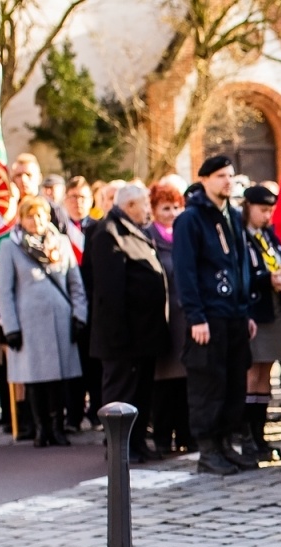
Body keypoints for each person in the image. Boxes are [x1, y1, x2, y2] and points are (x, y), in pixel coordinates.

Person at [174, 155, 257, 476]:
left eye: (231, 175)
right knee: (208, 383)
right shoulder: (190, 219)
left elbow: (240, 266)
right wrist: (195, 316)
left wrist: (245, 310)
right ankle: (207, 449)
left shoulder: (233, 216)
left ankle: (225, 444)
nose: (228, 181)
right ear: (205, 179)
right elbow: (186, 271)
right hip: (208, 317)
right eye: (221, 175)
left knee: (233, 383)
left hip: (234, 315)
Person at [0, 195, 88, 447]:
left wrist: (80, 315)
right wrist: (10, 327)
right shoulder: (10, 246)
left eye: (40, 215)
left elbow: (75, 283)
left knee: (58, 378)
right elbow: (5, 291)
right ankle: (41, 428)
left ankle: (59, 426)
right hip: (29, 323)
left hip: (59, 319)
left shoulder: (60, 242)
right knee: (34, 377)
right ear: (21, 219)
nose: (35, 221)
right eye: (29, 216)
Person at [85, 183, 167, 461]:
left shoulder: (135, 231)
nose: (148, 210)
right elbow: (109, 290)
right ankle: (118, 449)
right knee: (121, 393)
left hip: (143, 334)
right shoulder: (108, 233)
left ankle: (139, 443)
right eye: (145, 204)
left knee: (142, 392)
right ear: (130, 205)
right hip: (120, 337)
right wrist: (117, 335)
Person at [242, 184, 281, 461]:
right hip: (254, 309)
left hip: (272, 309)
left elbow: (277, 261)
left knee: (266, 374)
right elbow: (245, 272)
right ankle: (248, 436)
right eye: (262, 210)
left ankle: (260, 435)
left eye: (270, 210)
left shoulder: (268, 235)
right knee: (252, 373)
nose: (267, 215)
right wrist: (268, 278)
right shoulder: (241, 236)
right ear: (248, 207)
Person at [146, 181, 193, 455]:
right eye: (166, 208)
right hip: (164, 320)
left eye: (177, 207)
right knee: (163, 384)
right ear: (154, 210)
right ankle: (163, 437)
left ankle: (186, 434)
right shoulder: (149, 237)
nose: (173, 213)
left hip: (185, 318)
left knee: (185, 382)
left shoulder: (185, 235)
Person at [62, 176, 94, 263]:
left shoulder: (99, 228)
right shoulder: (59, 227)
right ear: (65, 200)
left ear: (91, 200)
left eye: (82, 197)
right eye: (73, 197)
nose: (78, 201)